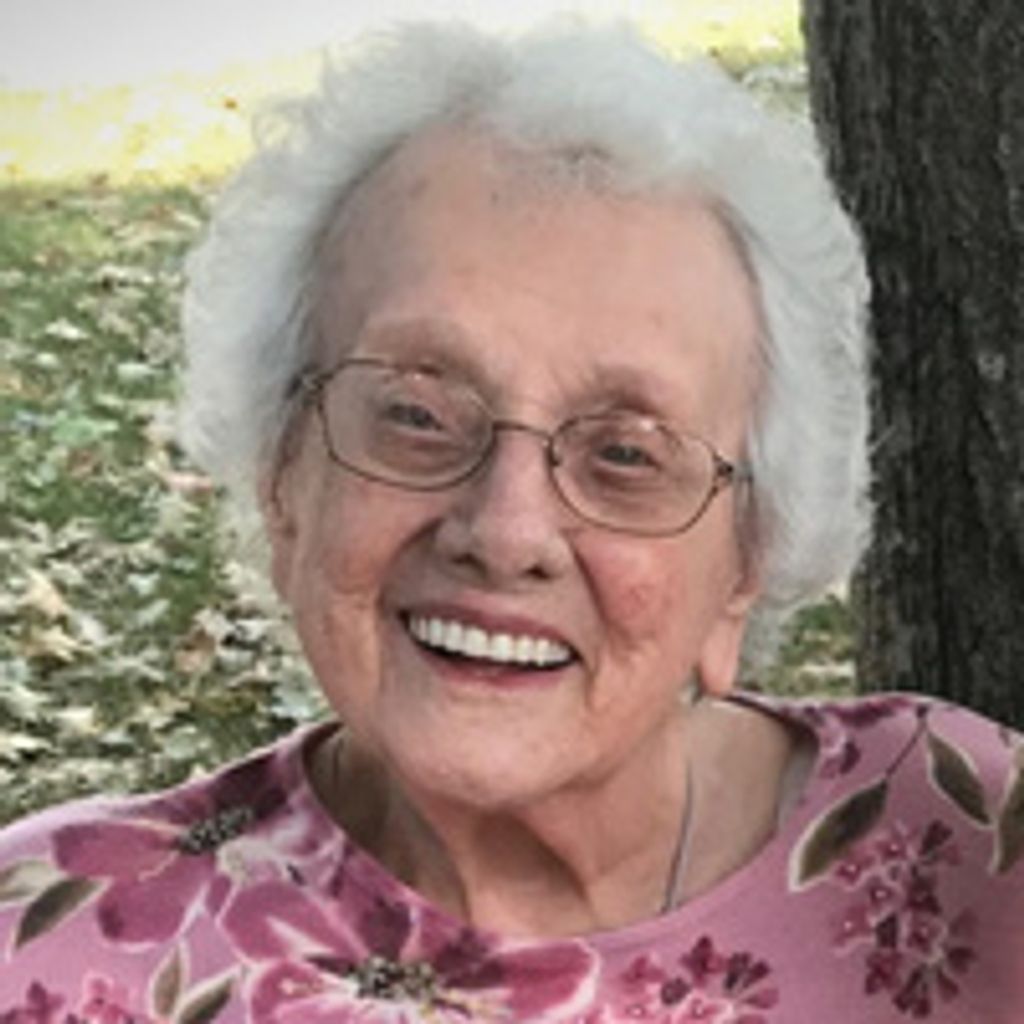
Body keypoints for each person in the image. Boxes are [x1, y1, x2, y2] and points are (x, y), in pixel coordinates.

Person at [1, 20, 1021, 1024]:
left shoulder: (974, 842)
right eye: (416, 415)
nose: (506, 530)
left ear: (747, 559)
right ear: (282, 477)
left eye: (626, 454)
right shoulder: (53, 952)